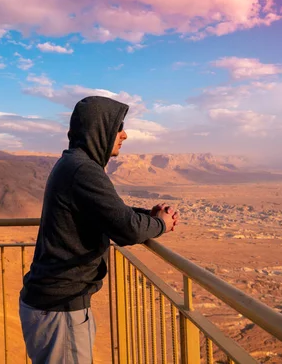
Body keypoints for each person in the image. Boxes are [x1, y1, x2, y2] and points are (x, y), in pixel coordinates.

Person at [19, 95, 179, 363]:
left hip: (57, 304)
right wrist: (161, 223)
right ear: (98, 128)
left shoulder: (74, 164)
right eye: (118, 126)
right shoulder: (83, 170)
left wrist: (147, 215)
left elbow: (109, 212)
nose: (124, 135)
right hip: (61, 307)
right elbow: (126, 229)